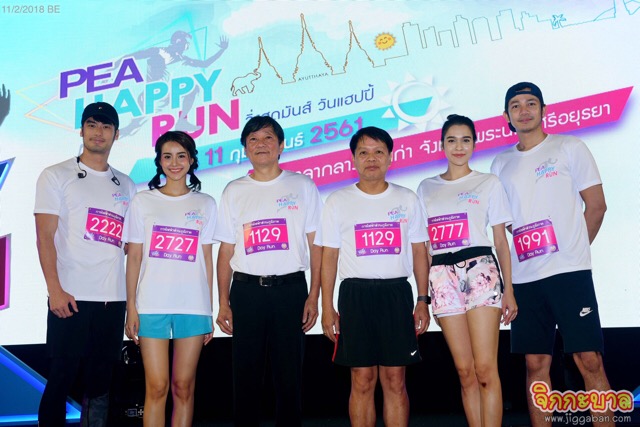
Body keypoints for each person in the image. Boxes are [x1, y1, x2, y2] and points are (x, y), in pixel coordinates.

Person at [490, 82, 611, 427]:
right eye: (516, 105)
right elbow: (506, 223)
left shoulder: (569, 147)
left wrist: (573, 249)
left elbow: (597, 206)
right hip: (525, 279)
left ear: (544, 110)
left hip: (569, 273)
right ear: (506, 116)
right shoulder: (500, 163)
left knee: (589, 359)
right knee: (535, 364)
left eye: (531, 103)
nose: (524, 110)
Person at [214, 116, 322, 426]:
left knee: (289, 379)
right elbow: (226, 250)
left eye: (268, 138)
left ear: (282, 145)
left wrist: (313, 296)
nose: (260, 144)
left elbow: (316, 245)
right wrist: (223, 302)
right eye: (253, 139)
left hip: (291, 291)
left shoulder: (302, 185)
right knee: (245, 378)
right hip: (246, 292)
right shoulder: (234, 190)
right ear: (245, 148)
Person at [34, 102, 136, 427]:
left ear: (116, 135)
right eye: (92, 124)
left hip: (112, 298)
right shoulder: (55, 175)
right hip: (70, 297)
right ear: (81, 130)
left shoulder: (127, 184)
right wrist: (54, 290)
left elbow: (130, 245)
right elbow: (44, 237)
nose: (98, 132)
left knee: (100, 383)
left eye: (106, 127)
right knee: (61, 378)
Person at [320, 126, 430, 427]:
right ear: (353, 159)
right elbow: (329, 256)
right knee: (362, 379)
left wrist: (423, 300)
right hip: (354, 296)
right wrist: (327, 307)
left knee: (395, 379)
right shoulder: (337, 200)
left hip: (396, 295)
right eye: (364, 153)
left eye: (379, 152)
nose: (371, 158)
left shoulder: (407, 198)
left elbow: (419, 251)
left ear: (390, 157)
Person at [416, 114, 517, 427]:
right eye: (451, 140)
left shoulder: (488, 183)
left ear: (474, 144)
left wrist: (509, 290)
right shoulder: (426, 187)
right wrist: (425, 295)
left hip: (481, 272)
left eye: (465, 140)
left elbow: (500, 241)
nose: (458, 147)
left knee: (485, 369)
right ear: (441, 145)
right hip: (441, 277)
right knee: (465, 371)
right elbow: (424, 246)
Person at [124, 131, 216, 427]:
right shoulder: (142, 201)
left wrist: (208, 310)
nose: (174, 163)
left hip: (193, 306)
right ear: (159, 161)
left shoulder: (206, 203)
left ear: (191, 160)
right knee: (157, 387)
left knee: (183, 387)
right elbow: (134, 257)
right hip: (151, 305)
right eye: (167, 156)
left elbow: (206, 259)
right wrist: (131, 307)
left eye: (181, 156)